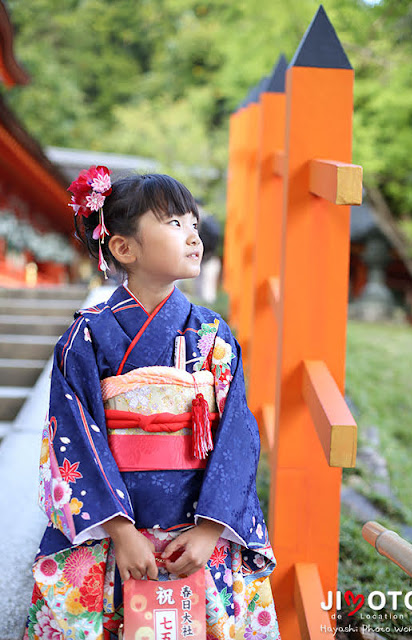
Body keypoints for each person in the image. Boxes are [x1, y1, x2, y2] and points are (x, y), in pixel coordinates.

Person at [24, 168, 280, 640]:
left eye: (195, 225)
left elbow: (237, 434)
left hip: (196, 531)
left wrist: (210, 530)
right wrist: (120, 531)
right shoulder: (86, 338)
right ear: (124, 249)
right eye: (175, 224)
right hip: (113, 536)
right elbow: (71, 436)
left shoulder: (211, 335)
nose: (194, 238)